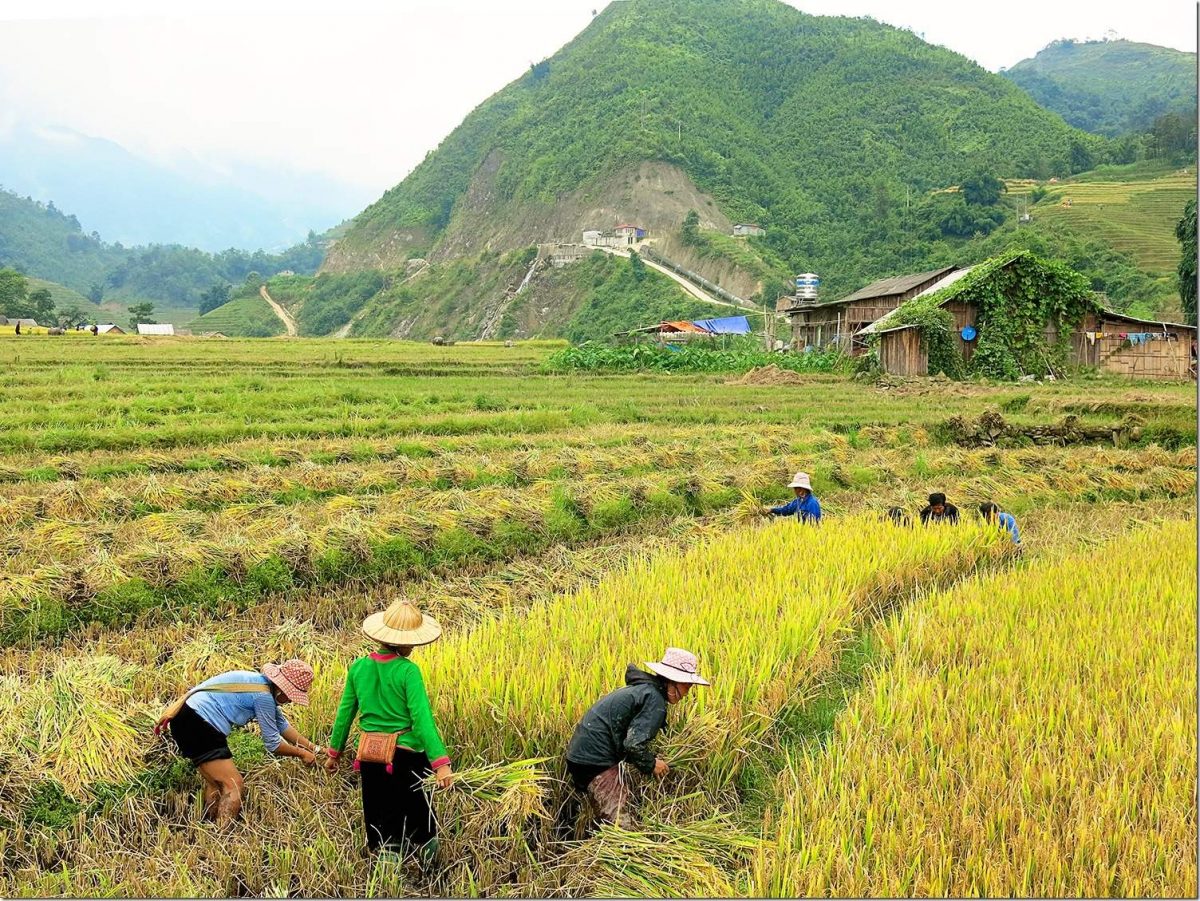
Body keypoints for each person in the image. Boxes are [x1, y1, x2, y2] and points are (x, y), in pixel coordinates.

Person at [326, 600, 453, 866]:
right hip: (406, 756)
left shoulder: (358, 668)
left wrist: (334, 752)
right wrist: (440, 763)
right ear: (405, 642)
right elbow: (422, 720)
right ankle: (430, 867)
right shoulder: (408, 671)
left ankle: (387, 875)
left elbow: (344, 714)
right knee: (420, 813)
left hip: (372, 755)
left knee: (381, 813)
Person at [555, 647, 709, 839]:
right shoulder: (654, 700)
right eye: (687, 685)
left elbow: (625, 738)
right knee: (622, 828)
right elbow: (633, 744)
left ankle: (600, 850)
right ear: (672, 681)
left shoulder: (643, 691)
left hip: (582, 755)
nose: (687, 693)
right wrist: (651, 764)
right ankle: (621, 857)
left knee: (610, 813)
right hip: (595, 759)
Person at [157, 658, 319, 826]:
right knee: (233, 784)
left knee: (216, 784)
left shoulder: (258, 683)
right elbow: (273, 744)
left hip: (185, 718)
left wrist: (315, 749)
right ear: (283, 689)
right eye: (291, 696)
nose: (291, 701)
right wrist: (301, 754)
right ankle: (221, 837)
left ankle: (208, 828)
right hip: (200, 724)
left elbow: (282, 726)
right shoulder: (263, 697)